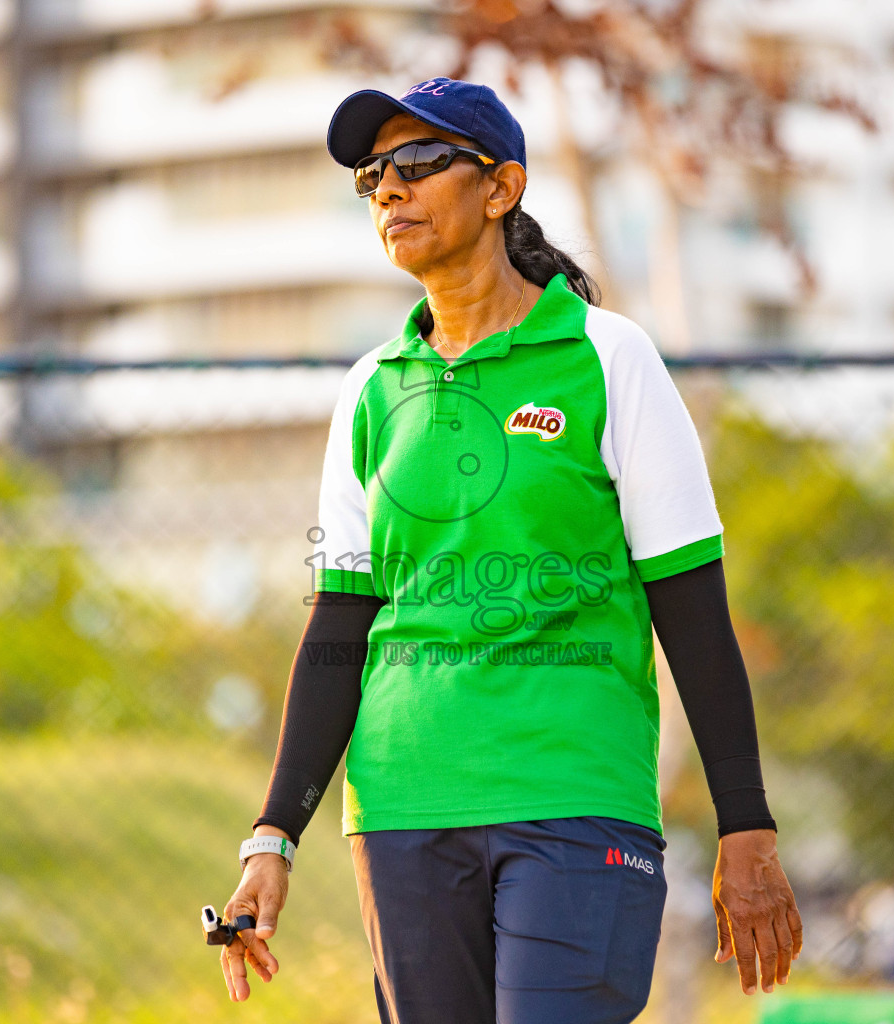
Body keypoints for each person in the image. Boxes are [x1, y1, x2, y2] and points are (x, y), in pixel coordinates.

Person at [217, 75, 803, 1024]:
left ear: (501, 188)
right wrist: (272, 839)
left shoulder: (610, 361)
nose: (389, 190)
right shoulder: (372, 389)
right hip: (404, 807)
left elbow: (693, 617)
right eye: (373, 175)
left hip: (574, 796)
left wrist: (748, 826)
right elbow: (339, 627)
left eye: (417, 163)